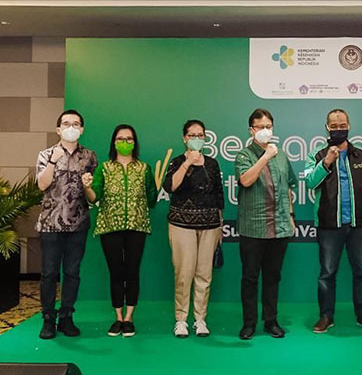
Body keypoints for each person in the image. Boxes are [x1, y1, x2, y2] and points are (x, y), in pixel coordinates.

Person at [304, 109, 362, 333]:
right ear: (327, 128)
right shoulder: (317, 155)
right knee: (327, 273)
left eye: (342, 125)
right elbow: (310, 182)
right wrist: (327, 162)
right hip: (329, 225)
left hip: (358, 224)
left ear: (349, 126)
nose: (339, 129)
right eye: (334, 126)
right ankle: (326, 316)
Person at [84, 124, 156, 338]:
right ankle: (117, 317)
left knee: (132, 272)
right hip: (110, 226)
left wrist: (154, 188)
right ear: (114, 143)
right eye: (120, 139)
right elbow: (94, 197)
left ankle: (129, 318)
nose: (125, 142)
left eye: (129, 139)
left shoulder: (144, 168)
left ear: (135, 142)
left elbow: (152, 199)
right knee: (116, 272)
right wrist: (87, 187)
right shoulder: (104, 168)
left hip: (137, 226)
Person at [34, 110, 98, 340]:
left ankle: (67, 316)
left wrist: (88, 185)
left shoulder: (90, 156)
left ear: (82, 129)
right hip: (50, 224)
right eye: (66, 124)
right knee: (49, 273)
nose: (71, 127)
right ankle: (48, 319)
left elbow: (93, 194)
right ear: (58, 129)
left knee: (72, 272)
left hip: (78, 224)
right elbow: (42, 185)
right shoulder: (46, 154)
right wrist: (53, 160)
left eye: (76, 124)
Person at [235, 109, 297, 340]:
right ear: (251, 130)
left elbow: (288, 188)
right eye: (260, 127)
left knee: (273, 277)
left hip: (279, 226)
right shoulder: (244, 155)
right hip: (253, 227)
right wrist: (265, 157)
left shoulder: (281, 156)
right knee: (250, 278)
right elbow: (246, 180)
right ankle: (249, 323)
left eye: (268, 126)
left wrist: (291, 215)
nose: (265, 130)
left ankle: (271, 321)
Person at [163, 120, 224, 338]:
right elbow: (170, 186)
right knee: (184, 273)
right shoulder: (177, 161)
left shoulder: (213, 164)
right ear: (184, 138)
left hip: (210, 226)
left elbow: (219, 195)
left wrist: (220, 225)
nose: (196, 139)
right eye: (192, 135)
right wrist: (188, 163)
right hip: (182, 225)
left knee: (204, 274)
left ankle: (200, 319)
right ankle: (181, 319)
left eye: (200, 135)